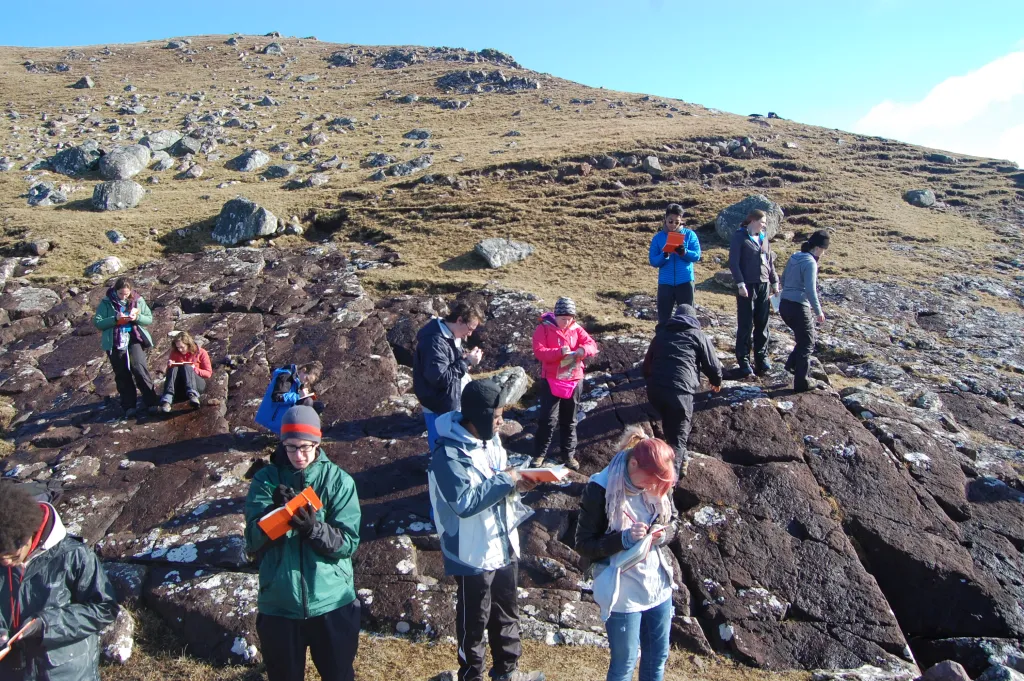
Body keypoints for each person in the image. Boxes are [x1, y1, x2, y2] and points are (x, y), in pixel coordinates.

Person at [427, 379, 543, 681]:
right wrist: (507, 479)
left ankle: (507, 672)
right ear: (477, 417)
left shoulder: (491, 441)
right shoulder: (448, 456)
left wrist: (521, 485)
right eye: (496, 416)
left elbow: (501, 486)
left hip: (502, 544)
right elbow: (463, 503)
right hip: (471, 552)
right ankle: (471, 675)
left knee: (507, 614)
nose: (501, 421)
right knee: (474, 622)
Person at [244, 405, 361, 681]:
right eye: (291, 447)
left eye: (306, 447)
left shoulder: (338, 481)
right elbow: (252, 541)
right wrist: (275, 514)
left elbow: (348, 541)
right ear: (281, 444)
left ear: (318, 443)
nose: (299, 455)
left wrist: (312, 528)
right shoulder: (265, 481)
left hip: (333, 602)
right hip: (280, 604)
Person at [574, 428, 679, 681]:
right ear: (633, 463)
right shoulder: (600, 488)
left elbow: (673, 521)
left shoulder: (659, 480)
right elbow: (584, 544)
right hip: (621, 589)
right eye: (650, 480)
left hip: (657, 583)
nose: (653, 487)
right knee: (625, 662)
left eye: (659, 483)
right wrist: (623, 539)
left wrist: (662, 534)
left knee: (657, 657)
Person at [0, 484, 119, 681]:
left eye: (12, 557)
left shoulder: (74, 556)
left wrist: (46, 625)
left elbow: (105, 608)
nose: (6, 563)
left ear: (29, 535)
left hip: (66, 673)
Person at [642, 304, 723, 476]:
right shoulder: (697, 335)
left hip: (655, 391)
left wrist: (652, 381)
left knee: (670, 425)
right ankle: (671, 482)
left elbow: (646, 366)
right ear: (694, 319)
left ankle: (678, 459)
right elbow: (713, 365)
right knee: (678, 438)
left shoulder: (661, 335)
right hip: (680, 391)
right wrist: (716, 382)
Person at [530, 297, 598, 470]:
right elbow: (539, 352)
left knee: (570, 420)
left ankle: (568, 456)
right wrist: (559, 352)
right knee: (547, 419)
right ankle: (539, 455)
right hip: (551, 379)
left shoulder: (576, 328)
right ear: (555, 315)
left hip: (574, 379)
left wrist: (584, 350)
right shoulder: (543, 328)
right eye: (563, 319)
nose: (566, 322)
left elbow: (592, 344)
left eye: (569, 319)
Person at [413, 302, 484, 455]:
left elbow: (447, 365)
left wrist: (465, 359)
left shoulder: (450, 335)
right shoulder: (434, 341)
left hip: (449, 400)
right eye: (470, 329)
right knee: (441, 448)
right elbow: (440, 378)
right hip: (438, 404)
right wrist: (466, 362)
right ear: (459, 320)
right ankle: (439, 473)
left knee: (451, 447)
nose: (470, 334)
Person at [92, 277, 159, 417]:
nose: (124, 296)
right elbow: (98, 323)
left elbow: (148, 318)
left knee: (139, 368)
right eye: (121, 294)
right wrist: (115, 319)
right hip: (115, 342)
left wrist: (136, 318)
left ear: (131, 291)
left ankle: (152, 402)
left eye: (126, 294)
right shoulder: (106, 303)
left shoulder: (138, 300)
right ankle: (129, 406)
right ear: (115, 291)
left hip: (134, 338)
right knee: (122, 373)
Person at [728, 209, 780, 377]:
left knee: (762, 323)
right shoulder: (740, 237)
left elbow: (769, 262)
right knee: (746, 324)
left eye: (765, 223)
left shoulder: (764, 238)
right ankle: (743, 361)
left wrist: (775, 282)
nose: (764, 225)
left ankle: (761, 358)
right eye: (762, 222)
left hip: (763, 284)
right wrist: (740, 283)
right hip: (747, 286)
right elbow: (734, 263)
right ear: (752, 221)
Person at [779, 230, 830, 393]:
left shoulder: (795, 257)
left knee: (802, 340)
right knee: (807, 343)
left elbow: (784, 279)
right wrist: (818, 311)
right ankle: (801, 382)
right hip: (799, 307)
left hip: (784, 305)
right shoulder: (810, 262)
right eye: (824, 249)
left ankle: (791, 365)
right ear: (819, 248)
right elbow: (810, 289)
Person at [647, 204, 702, 325]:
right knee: (663, 320)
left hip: (685, 282)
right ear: (665, 219)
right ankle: (662, 342)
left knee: (688, 318)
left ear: (681, 220)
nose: (673, 225)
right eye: (670, 221)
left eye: (677, 222)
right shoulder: (658, 238)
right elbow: (653, 260)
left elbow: (697, 255)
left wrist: (685, 252)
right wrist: (664, 255)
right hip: (665, 283)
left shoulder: (689, 235)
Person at [254, 362, 324, 435]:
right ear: (303, 370)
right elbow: (277, 397)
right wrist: (299, 396)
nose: (305, 382)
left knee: (318, 406)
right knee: (308, 402)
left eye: (308, 382)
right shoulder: (286, 376)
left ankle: (307, 432)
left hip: (284, 412)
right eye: (306, 379)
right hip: (273, 419)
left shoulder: (298, 380)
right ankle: (300, 434)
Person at [158, 331, 213, 412]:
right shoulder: (175, 353)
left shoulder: (201, 352)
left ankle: (193, 395)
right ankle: (167, 399)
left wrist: (194, 368)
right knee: (174, 368)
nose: (180, 349)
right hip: (181, 387)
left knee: (187, 366)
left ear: (188, 344)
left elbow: (208, 373)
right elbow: (170, 375)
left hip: (196, 385)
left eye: (182, 347)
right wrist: (170, 366)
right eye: (178, 347)